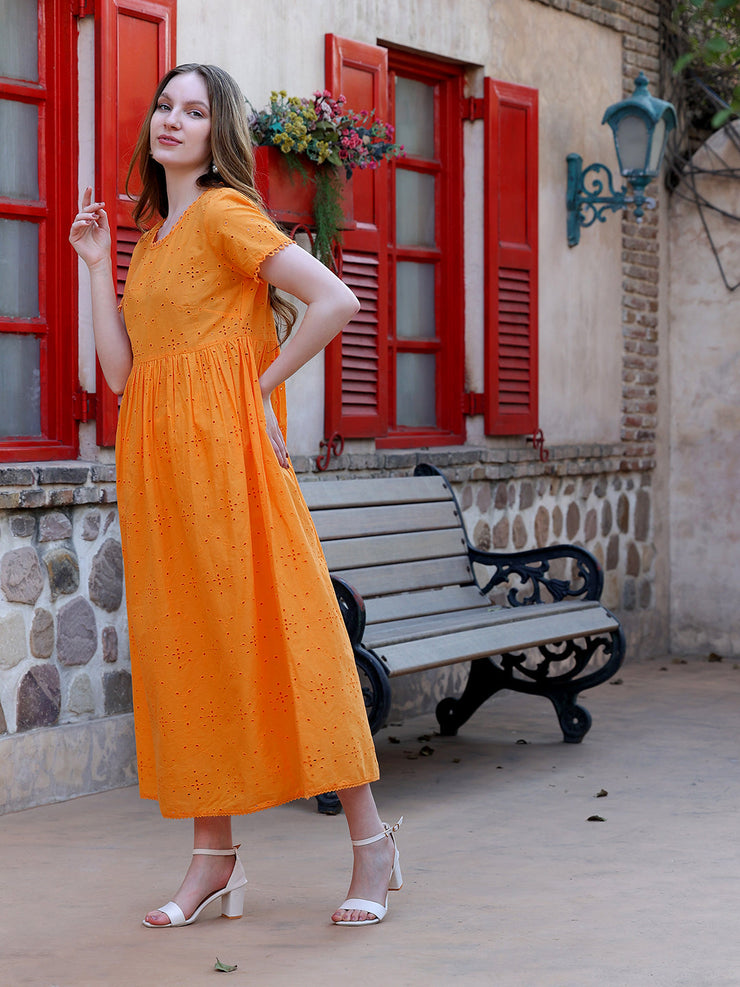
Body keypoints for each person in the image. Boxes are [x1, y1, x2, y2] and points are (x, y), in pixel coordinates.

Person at [69, 63, 402, 929]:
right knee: (187, 652)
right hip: (157, 467)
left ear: (218, 134)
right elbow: (120, 375)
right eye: (164, 106)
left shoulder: (223, 212)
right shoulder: (153, 235)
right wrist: (96, 265)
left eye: (193, 110)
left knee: (296, 639)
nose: (171, 121)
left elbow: (334, 300)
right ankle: (213, 860)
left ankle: (372, 844)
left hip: (231, 460)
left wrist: (258, 389)